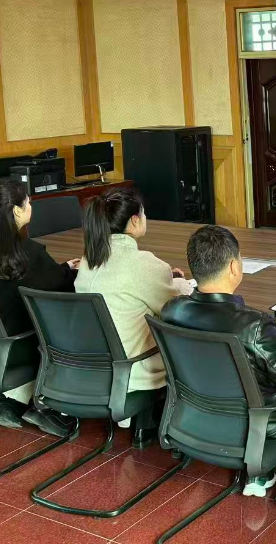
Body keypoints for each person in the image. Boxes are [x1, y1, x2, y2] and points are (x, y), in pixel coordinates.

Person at [161, 225, 276, 512]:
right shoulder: (253, 326)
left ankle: (259, 474)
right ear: (234, 267)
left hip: (195, 416)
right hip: (256, 423)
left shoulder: (172, 310)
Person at [0, 180, 79, 437]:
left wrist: (62, 268)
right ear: (16, 210)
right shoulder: (29, 252)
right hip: (18, 342)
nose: (31, 206)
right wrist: (71, 271)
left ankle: (9, 400)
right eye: (28, 202)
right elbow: (57, 286)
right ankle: (48, 405)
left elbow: (35, 278)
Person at [75, 188, 186, 443]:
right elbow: (173, 310)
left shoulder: (89, 259)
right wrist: (180, 285)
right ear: (135, 220)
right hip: (132, 368)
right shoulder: (141, 263)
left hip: (93, 363)